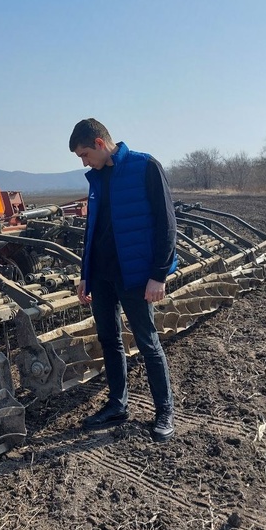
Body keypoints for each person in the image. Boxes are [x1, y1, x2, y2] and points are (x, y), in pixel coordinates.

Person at [69, 118, 177, 442]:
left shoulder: (145, 167)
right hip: (102, 276)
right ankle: (117, 404)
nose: (85, 162)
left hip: (135, 275)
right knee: (110, 340)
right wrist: (85, 275)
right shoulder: (97, 178)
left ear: (100, 144)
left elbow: (166, 223)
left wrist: (158, 275)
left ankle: (164, 412)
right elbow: (93, 231)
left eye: (85, 154)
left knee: (147, 342)